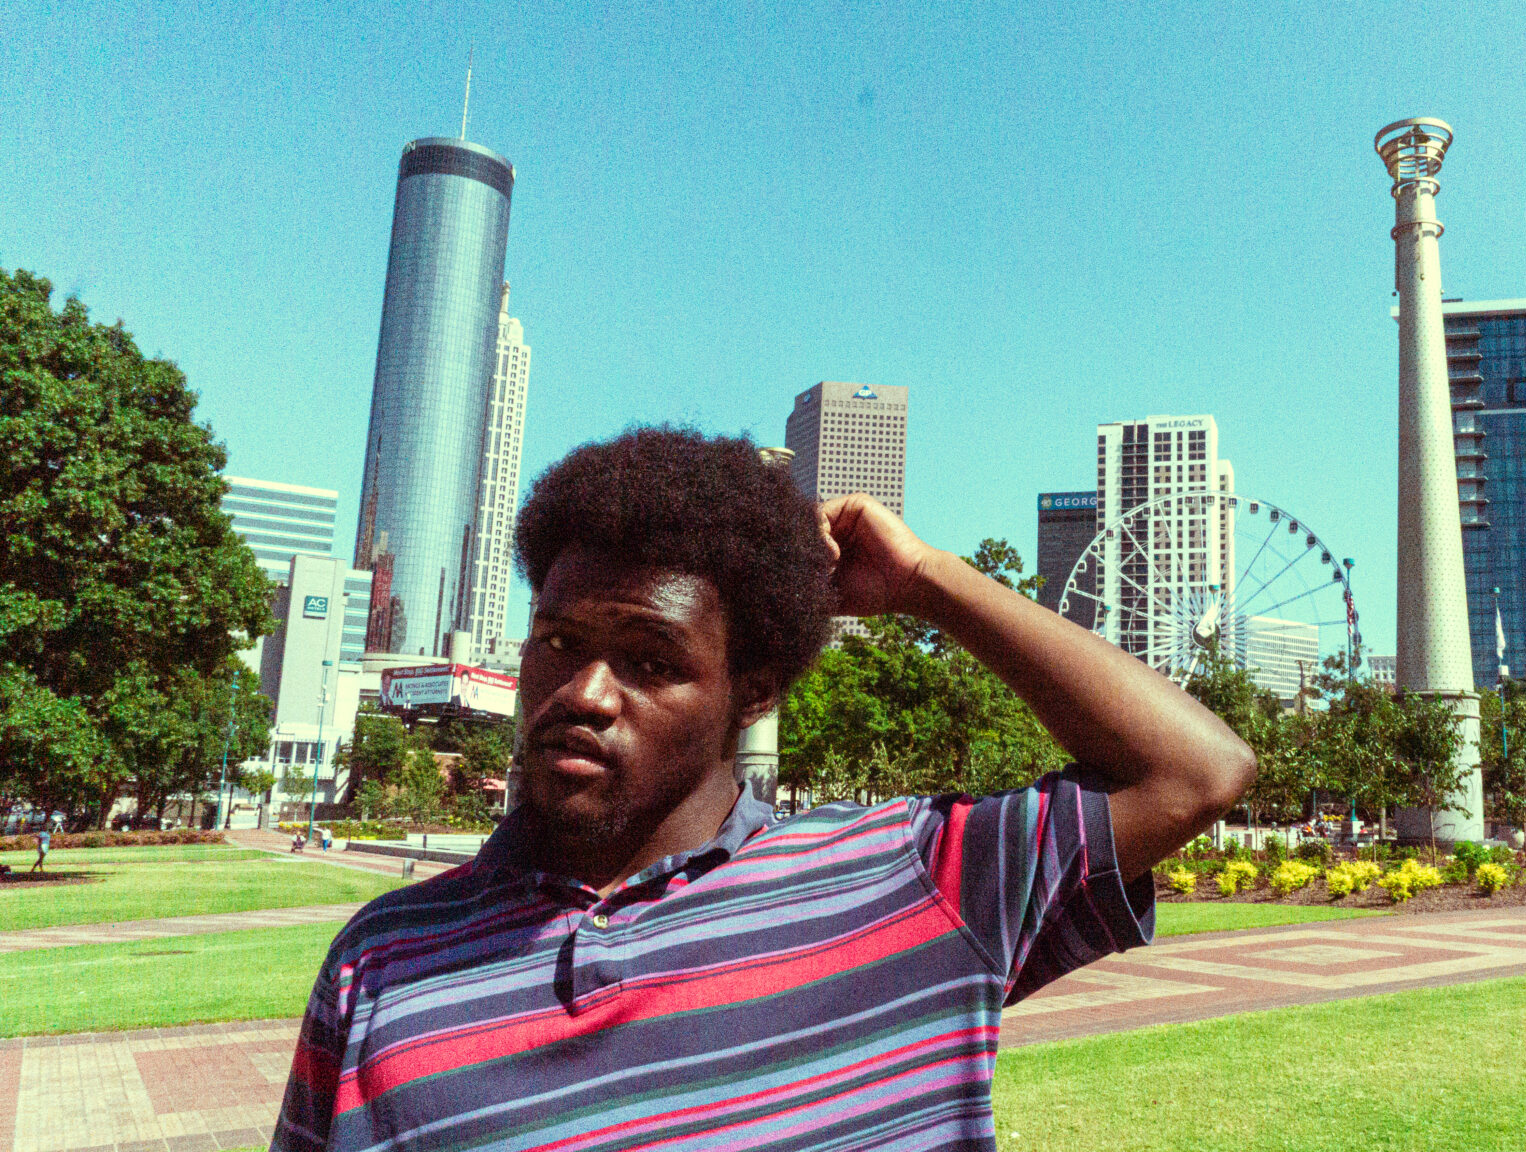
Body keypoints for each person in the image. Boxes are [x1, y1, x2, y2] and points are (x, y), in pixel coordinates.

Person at [271, 428, 1254, 1152]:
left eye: (651, 661)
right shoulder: (381, 959)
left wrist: (924, 580)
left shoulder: (908, 883)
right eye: (559, 642)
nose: (584, 693)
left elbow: (1197, 772)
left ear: (752, 694)